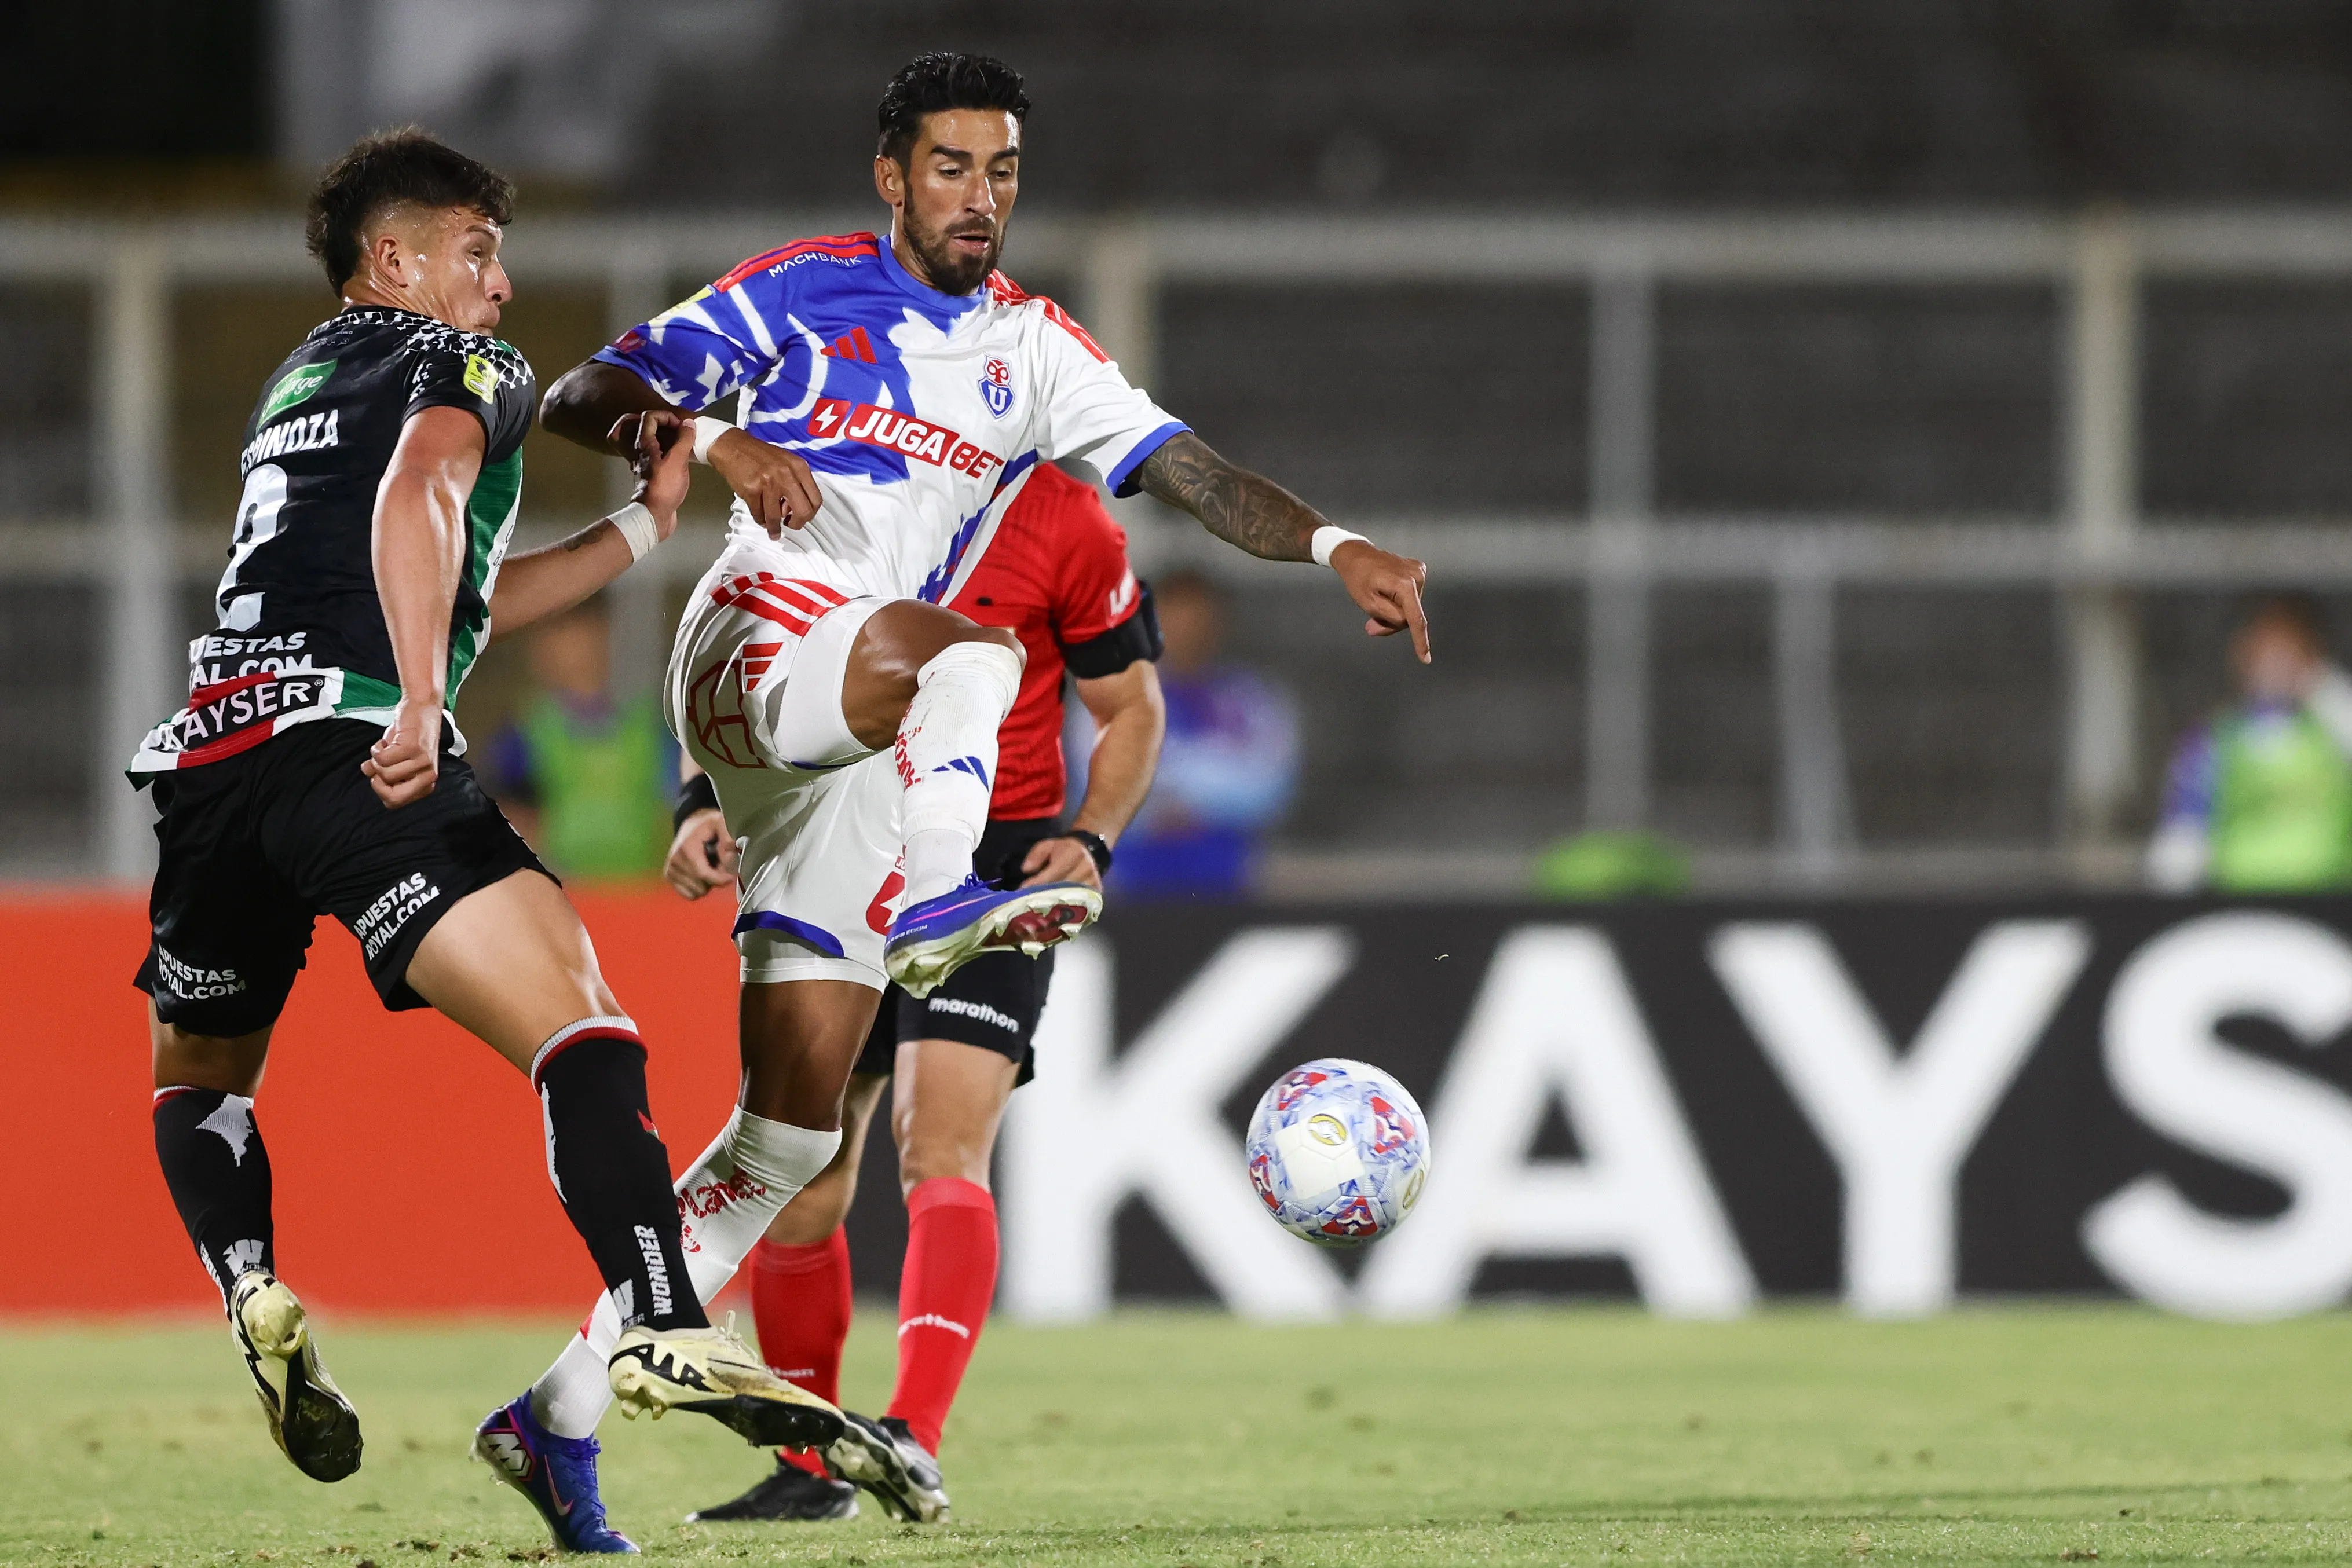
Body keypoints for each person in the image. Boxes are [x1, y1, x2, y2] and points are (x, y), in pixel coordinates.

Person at [505, 49, 1431, 1530]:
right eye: (950, 167)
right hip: (753, 634)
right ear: (891, 175)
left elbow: (1194, 473)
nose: (979, 198)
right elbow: (581, 388)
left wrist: (1338, 550)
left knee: (789, 1144)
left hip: (847, 758)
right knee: (977, 662)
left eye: (1002, 172)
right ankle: (943, 894)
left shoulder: (1038, 353)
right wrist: (722, 436)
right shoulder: (799, 289)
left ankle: (557, 1407)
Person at [126, 130, 883, 1554]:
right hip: (361, 747)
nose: (501, 278)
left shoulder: (297, 387)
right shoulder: (465, 365)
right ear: (396, 260)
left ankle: (250, 1286)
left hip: (213, 760)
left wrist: (643, 530)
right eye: (475, 250)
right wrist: (418, 698)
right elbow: (425, 494)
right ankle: (660, 1321)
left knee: (200, 1079)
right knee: (582, 1026)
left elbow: (452, 577)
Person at [672, 460, 1165, 1524]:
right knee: (803, 1169)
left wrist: (1092, 837)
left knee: (936, 1138)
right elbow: (738, 645)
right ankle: (808, 1467)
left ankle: (912, 1437)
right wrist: (699, 800)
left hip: (996, 862)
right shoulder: (833, 479)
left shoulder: (1069, 520)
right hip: (838, 842)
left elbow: (1130, 706)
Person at [1103, 569, 1297, 897]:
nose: (1187, 629)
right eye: (1176, 615)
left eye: (1198, 617)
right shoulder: (1113, 698)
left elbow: (1270, 787)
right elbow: (1100, 787)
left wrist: (1179, 792)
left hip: (1227, 877)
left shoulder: (1252, 701)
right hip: (1130, 880)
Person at [2148, 592, 2352, 892]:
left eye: (2288, 650)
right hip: (2241, 903)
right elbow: (2185, 828)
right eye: (2265, 651)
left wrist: (2321, 684)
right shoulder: (2215, 739)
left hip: (2331, 901)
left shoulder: (2334, 730)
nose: (2276, 663)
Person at [480, 595, 676, 879]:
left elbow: (679, 810)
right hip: (564, 895)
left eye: (573, 634)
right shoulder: (526, 733)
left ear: (602, 635)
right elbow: (502, 815)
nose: (563, 649)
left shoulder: (650, 728)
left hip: (645, 899)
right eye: (551, 636)